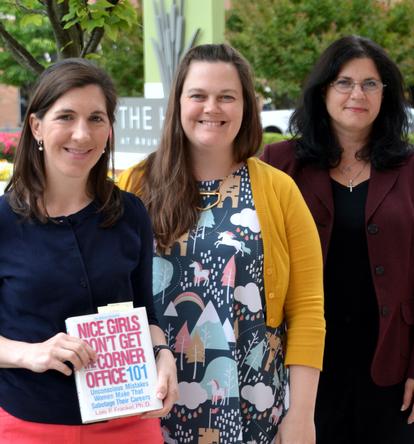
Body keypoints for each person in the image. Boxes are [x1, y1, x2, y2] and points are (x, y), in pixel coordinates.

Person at [118, 44, 325, 444]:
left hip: (254, 407)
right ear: (178, 102)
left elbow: (308, 310)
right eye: (198, 95)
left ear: (245, 106)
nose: (211, 107)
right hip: (150, 406)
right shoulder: (133, 186)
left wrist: (301, 415)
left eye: (226, 96)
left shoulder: (278, 190)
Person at [262, 35, 414, 443]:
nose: (358, 94)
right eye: (344, 82)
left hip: (392, 366)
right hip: (300, 362)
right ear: (323, 90)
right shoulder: (279, 163)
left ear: (386, 95)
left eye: (371, 84)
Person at [0, 59, 177, 443]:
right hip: (30, 425)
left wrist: (163, 353)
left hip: (130, 421)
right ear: (36, 126)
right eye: (66, 116)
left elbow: (143, 310)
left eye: (96, 118)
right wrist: (30, 354)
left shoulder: (130, 213)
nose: (82, 134)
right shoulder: (3, 221)